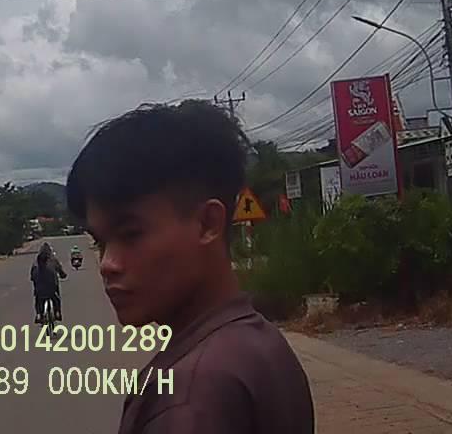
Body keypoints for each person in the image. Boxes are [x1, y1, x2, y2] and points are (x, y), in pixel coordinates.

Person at [66, 100, 313, 434]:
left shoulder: (189, 397)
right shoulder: (258, 342)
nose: (108, 264)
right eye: (102, 242)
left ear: (207, 224)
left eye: (131, 235)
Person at [29, 242, 66, 322]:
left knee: (38, 300)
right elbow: (61, 271)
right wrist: (63, 275)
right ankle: (57, 312)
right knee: (56, 299)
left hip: (40, 290)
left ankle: (39, 314)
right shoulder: (53, 261)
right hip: (51, 289)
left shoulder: (35, 264)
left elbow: (32, 277)